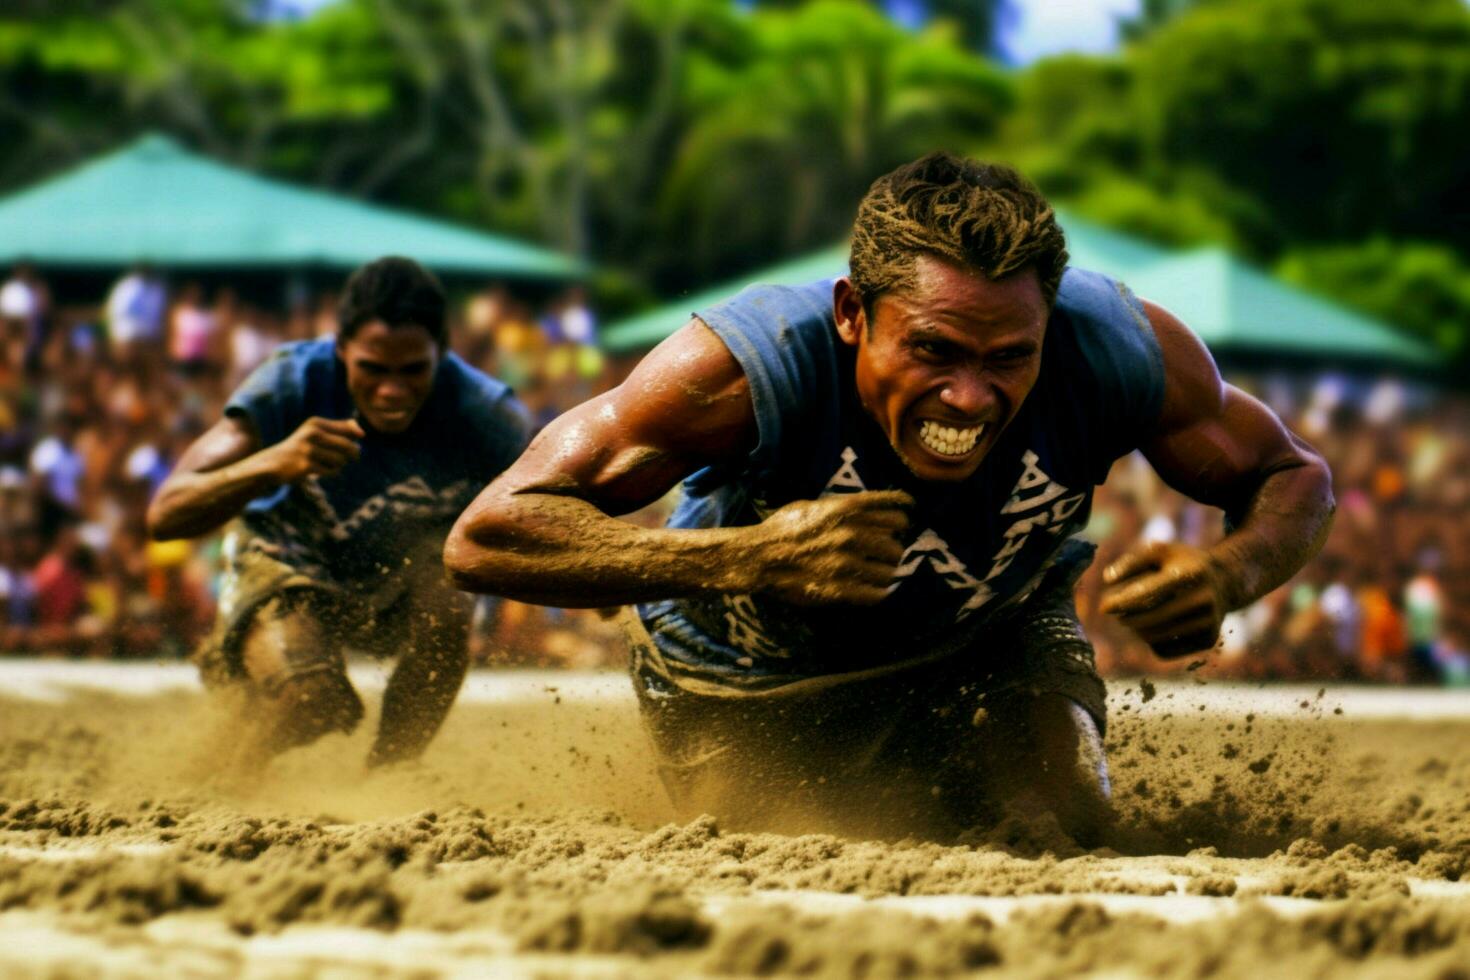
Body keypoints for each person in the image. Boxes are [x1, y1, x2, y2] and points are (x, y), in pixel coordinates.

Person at [444, 152, 1334, 842]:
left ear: (1048, 327)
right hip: (742, 671)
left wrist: (1230, 574)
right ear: (850, 314)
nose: (970, 397)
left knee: (1060, 819)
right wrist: (747, 556)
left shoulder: (1119, 352)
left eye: (1007, 358)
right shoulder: (744, 370)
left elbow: (1293, 474)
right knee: (780, 848)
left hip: (994, 632)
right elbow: (488, 534)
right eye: (936, 351)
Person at [149, 257, 531, 768]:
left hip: (398, 580)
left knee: (450, 597)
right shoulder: (292, 382)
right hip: (285, 564)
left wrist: (596, 584)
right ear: (341, 350)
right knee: (312, 701)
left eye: (412, 370)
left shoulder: (487, 415)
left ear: (440, 354)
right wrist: (272, 463)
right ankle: (222, 773)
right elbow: (166, 514)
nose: (392, 390)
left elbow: (547, 509)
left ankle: (387, 776)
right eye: (372, 369)